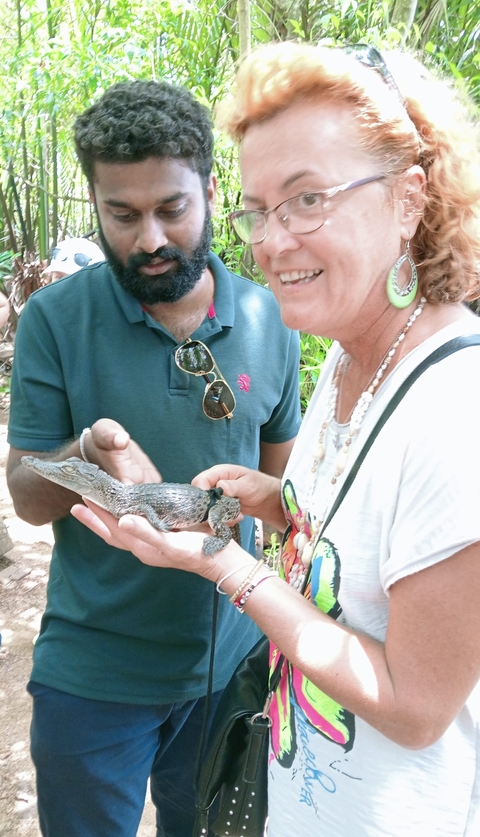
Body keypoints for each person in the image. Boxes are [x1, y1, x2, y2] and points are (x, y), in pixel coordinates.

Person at [73, 44, 480, 836]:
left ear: (408, 199)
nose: (271, 241)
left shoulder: (458, 410)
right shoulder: (349, 351)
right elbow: (365, 568)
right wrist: (282, 505)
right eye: (257, 210)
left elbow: (415, 704)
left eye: (307, 200)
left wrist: (226, 564)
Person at [6, 79, 302, 837]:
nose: (150, 239)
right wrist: (86, 451)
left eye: (171, 208)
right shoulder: (54, 321)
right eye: (123, 214)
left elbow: (283, 495)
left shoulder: (273, 318)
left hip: (230, 661)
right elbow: (28, 497)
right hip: (93, 675)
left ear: (209, 188)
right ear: (95, 204)